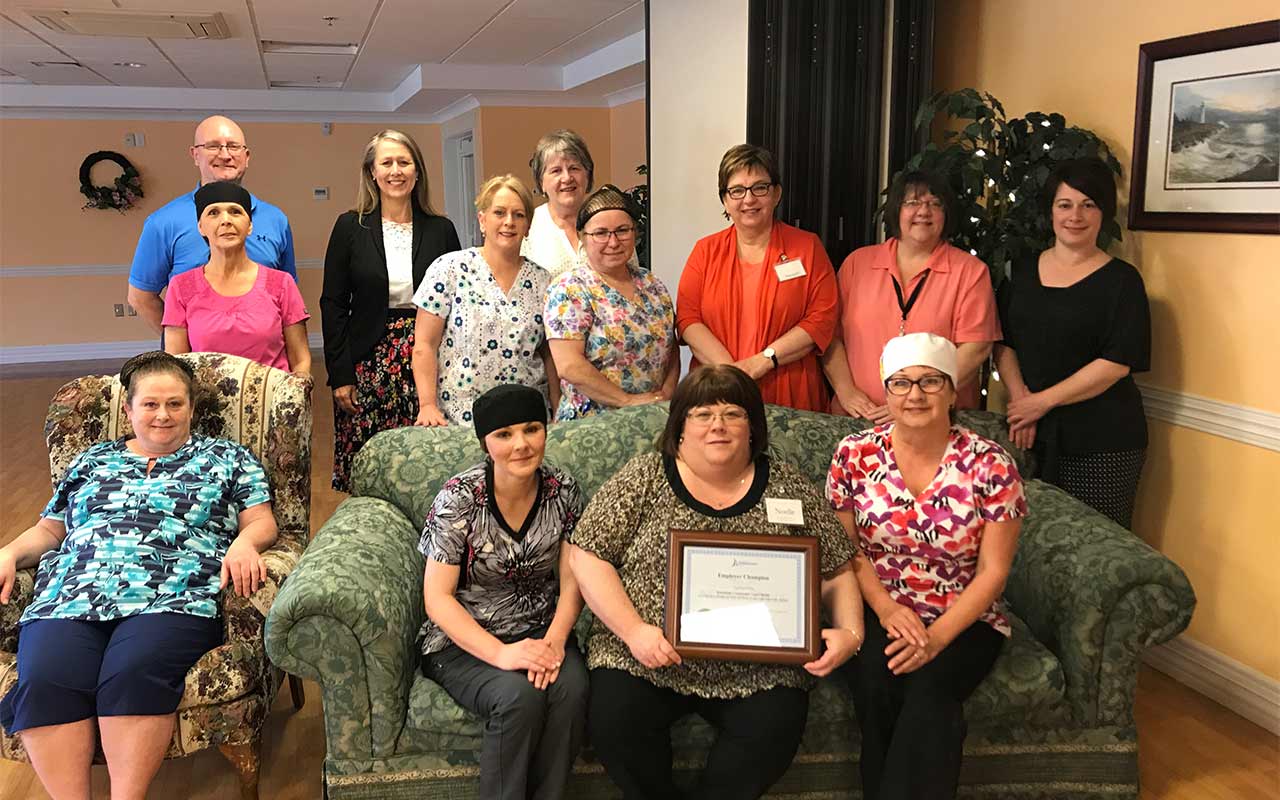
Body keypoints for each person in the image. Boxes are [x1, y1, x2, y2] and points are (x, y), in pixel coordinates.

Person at [568, 365, 863, 800]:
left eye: (733, 413)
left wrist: (850, 634)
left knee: (776, 727)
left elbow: (837, 568)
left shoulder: (786, 485)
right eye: (703, 414)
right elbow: (587, 555)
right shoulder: (646, 476)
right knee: (616, 719)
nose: (718, 425)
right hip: (649, 653)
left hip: (760, 665)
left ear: (753, 428)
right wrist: (633, 631)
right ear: (680, 427)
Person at [0, 351, 278, 800]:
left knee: (134, 673)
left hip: (174, 591)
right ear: (128, 410)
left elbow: (261, 520)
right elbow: (51, 529)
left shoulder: (227, 457)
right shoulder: (93, 460)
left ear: (191, 407)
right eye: (150, 404)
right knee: (46, 678)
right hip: (73, 593)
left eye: (175, 404)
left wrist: (246, 543)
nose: (163, 415)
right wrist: (8, 552)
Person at [826, 333, 1025, 800]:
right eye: (901, 383)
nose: (914, 394)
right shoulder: (854, 455)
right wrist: (888, 610)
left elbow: (994, 573)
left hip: (965, 615)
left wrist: (935, 639)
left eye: (930, 382)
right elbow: (845, 549)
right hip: (876, 605)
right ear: (885, 391)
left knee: (931, 697)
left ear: (953, 391)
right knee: (877, 686)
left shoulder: (991, 465)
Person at [419, 384, 588, 800]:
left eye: (532, 429)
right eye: (505, 435)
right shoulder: (459, 498)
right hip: (462, 640)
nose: (521, 445)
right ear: (485, 443)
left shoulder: (564, 491)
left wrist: (556, 640)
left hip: (541, 629)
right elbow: (437, 598)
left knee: (572, 689)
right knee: (517, 698)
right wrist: (501, 654)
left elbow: (573, 579)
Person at [994, 158, 1151, 529]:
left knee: (1095, 544)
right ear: (1050, 211)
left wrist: (1040, 403)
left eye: (1088, 205)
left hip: (1103, 439)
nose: (1075, 216)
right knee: (1029, 542)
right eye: (1065, 204)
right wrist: (1021, 400)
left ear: (1103, 213)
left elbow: (1116, 362)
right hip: (1028, 431)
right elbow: (1003, 343)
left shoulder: (1123, 282)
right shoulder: (1020, 272)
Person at [321, 129, 461, 491]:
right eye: (386, 163)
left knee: (426, 458)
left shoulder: (441, 229)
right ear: (372, 172)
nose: (395, 171)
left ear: (417, 172)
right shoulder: (350, 226)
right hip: (368, 357)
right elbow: (333, 303)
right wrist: (340, 374)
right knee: (371, 462)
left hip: (429, 355)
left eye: (404, 162)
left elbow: (459, 299)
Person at [822, 170, 1000, 422]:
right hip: (858, 418)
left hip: (934, 422)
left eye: (935, 204)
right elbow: (830, 336)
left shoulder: (970, 272)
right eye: (913, 202)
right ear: (896, 210)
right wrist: (846, 391)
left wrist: (916, 401)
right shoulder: (857, 264)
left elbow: (976, 348)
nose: (923, 211)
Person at [676, 144, 839, 413]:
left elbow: (822, 318)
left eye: (759, 187)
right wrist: (732, 373)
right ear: (725, 200)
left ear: (776, 193)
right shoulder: (705, 251)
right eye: (737, 190)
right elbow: (687, 318)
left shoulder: (807, 247)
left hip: (791, 389)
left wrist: (761, 362)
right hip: (719, 390)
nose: (748, 199)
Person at [128, 115, 296, 334]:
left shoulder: (276, 220)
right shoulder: (163, 223)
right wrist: (186, 345)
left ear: (246, 157)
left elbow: (287, 296)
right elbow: (141, 298)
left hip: (264, 361)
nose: (225, 155)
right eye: (213, 146)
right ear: (195, 155)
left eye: (233, 146)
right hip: (198, 362)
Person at [412, 175, 557, 426]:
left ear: (528, 226)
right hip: (462, 417)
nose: (509, 222)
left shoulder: (544, 281)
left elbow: (550, 354)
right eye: (499, 212)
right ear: (482, 220)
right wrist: (427, 405)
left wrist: (557, 408)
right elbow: (425, 344)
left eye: (519, 215)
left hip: (526, 418)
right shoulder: (449, 269)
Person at [544, 185, 678, 420]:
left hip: (652, 418)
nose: (613, 242)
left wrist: (665, 395)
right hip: (592, 426)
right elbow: (569, 366)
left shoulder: (652, 284)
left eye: (622, 230)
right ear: (582, 237)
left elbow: (671, 348)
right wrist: (628, 402)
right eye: (601, 233)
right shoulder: (569, 290)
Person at [162, 181, 310, 375]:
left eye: (235, 212)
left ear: (249, 226)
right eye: (213, 213)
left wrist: (295, 395)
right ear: (200, 227)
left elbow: (301, 361)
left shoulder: (281, 284)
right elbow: (176, 367)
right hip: (206, 401)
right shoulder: (181, 287)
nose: (226, 220)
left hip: (271, 399)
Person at [521, 129, 596, 277]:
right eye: (556, 171)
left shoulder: (607, 219)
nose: (567, 178)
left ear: (587, 175)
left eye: (574, 168)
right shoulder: (527, 226)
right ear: (541, 182)